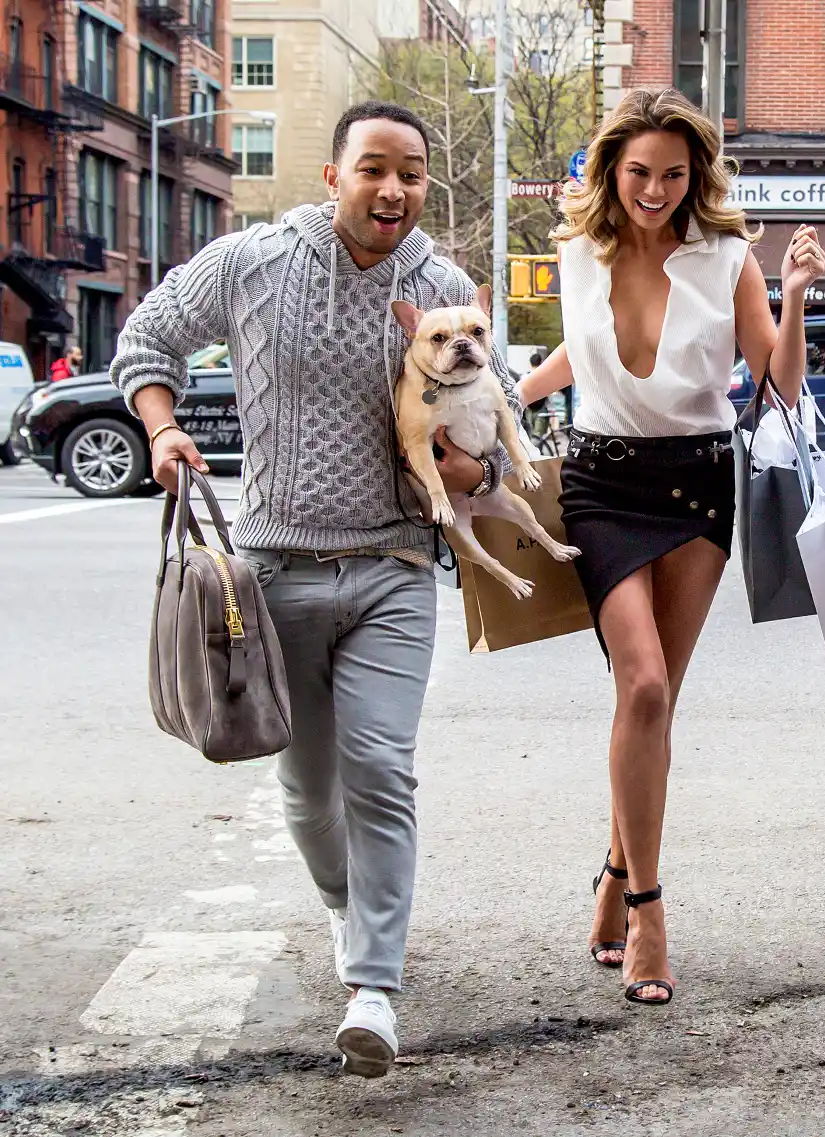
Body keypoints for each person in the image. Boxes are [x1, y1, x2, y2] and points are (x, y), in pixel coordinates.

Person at [110, 100, 517, 1076]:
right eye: (374, 168)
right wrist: (164, 430)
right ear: (333, 175)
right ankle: (346, 905)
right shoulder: (254, 262)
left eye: (412, 172)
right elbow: (147, 340)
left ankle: (374, 984)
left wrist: (477, 475)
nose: (394, 188)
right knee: (304, 788)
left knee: (380, 766)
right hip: (275, 573)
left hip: (394, 566)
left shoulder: (446, 287)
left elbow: (485, 434)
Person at [515, 88, 825, 1007]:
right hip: (601, 484)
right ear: (613, 169)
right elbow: (579, 349)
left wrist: (794, 296)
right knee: (640, 683)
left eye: (674, 174)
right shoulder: (578, 249)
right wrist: (512, 404)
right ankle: (649, 904)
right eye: (640, 171)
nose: (655, 189)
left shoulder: (728, 255)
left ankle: (614, 872)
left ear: (698, 178)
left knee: (655, 703)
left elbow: (774, 378)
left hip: (696, 485)